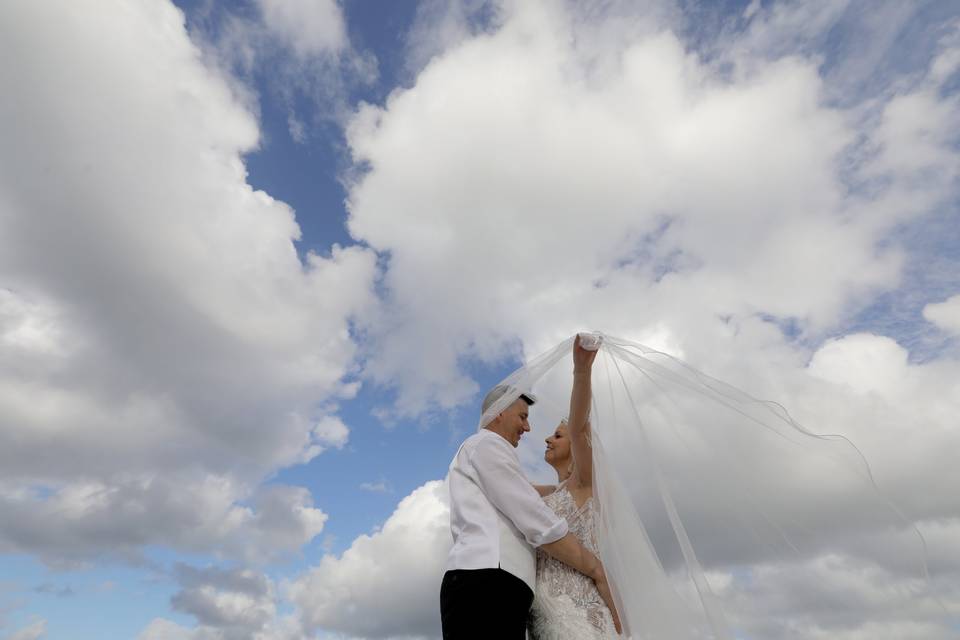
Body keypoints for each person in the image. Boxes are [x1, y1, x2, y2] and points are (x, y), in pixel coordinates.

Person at [440, 383, 621, 639]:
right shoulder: (487, 445)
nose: (528, 427)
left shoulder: (497, 461)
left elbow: (533, 492)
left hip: (518, 595)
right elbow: (534, 517)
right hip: (488, 582)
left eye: (558, 436)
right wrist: (595, 569)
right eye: (523, 416)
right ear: (500, 412)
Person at [529, 335, 620, 639]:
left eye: (557, 435)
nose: (547, 439)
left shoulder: (585, 482)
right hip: (543, 615)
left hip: (580, 613)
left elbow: (579, 427)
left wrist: (581, 371)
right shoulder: (545, 494)